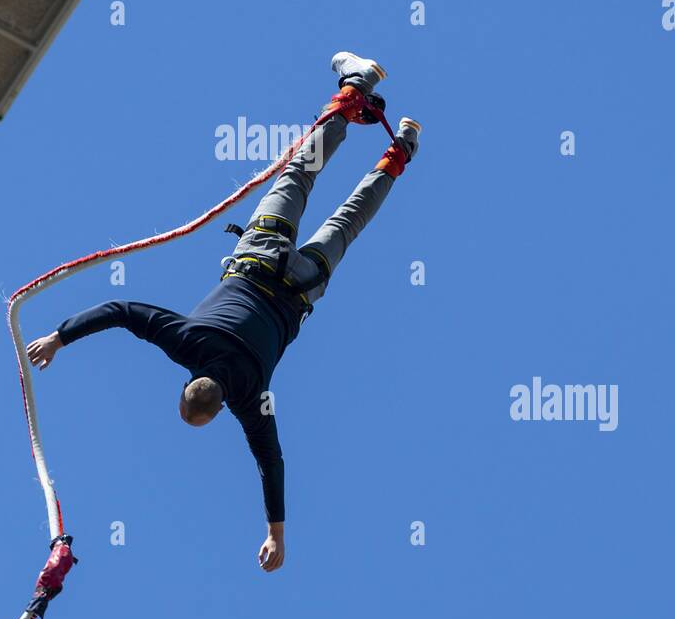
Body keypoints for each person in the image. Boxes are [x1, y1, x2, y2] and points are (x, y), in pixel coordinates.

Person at [27, 53, 420, 573]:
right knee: (299, 176)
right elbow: (120, 310)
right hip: (261, 258)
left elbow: (271, 463)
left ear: (215, 409)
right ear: (189, 386)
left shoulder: (249, 394)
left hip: (300, 288)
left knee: (349, 221)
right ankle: (355, 86)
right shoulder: (186, 340)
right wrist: (59, 338)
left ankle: (403, 148)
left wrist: (275, 534)